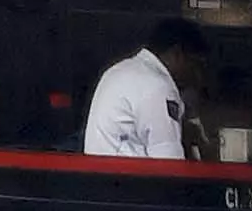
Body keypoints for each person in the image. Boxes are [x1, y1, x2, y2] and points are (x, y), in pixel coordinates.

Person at [81, 18, 207, 161]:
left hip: (100, 177)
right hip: (129, 180)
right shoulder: (158, 85)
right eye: (196, 64)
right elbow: (170, 165)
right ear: (177, 54)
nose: (197, 75)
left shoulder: (121, 70)